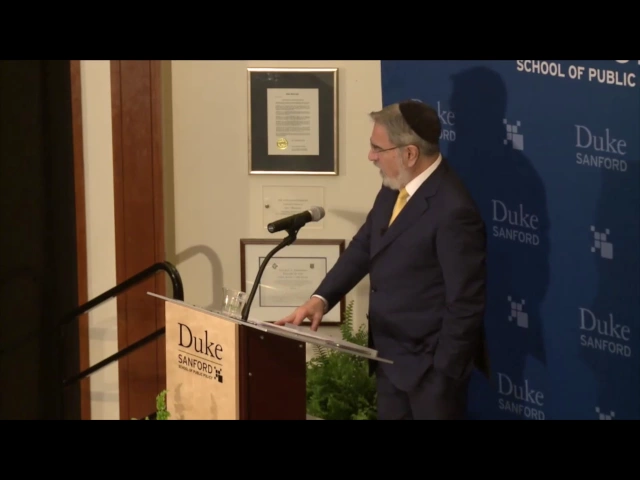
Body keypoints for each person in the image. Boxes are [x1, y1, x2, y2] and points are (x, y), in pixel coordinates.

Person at [275, 99, 490, 420]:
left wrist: (444, 372)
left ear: (410, 153)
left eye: (378, 149)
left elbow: (466, 301)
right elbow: (365, 245)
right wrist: (321, 299)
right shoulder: (393, 188)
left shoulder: (454, 210)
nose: (371, 156)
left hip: (430, 373)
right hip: (389, 358)